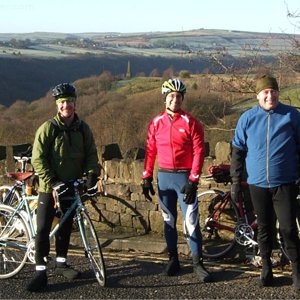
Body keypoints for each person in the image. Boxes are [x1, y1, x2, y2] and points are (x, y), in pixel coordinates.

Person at [27, 83, 100, 292]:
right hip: (48, 188)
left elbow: (91, 154)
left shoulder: (83, 128)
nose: (66, 105)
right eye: (62, 102)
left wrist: (91, 174)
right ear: (57, 106)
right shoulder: (48, 128)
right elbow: (38, 159)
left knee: (66, 227)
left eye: (69, 102)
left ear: (75, 103)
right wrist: (53, 181)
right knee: (43, 228)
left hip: (71, 185)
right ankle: (40, 271)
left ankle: (61, 263)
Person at [230, 74, 300, 291]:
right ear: (257, 95)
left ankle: (297, 270)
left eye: (273, 91)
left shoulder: (292, 116)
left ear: (278, 92)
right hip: (257, 184)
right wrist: (235, 180)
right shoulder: (247, 118)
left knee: (289, 228)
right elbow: (238, 151)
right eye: (265, 92)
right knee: (264, 227)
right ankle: (266, 266)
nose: (270, 96)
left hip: (285, 182)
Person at [141, 78, 211, 282]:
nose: (175, 100)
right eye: (171, 96)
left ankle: (198, 263)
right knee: (168, 221)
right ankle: (173, 259)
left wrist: (194, 179)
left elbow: (199, 151)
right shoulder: (156, 123)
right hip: (163, 177)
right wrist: (146, 177)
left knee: (190, 222)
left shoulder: (191, 122)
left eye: (179, 96)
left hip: (183, 178)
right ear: (165, 98)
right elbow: (150, 150)